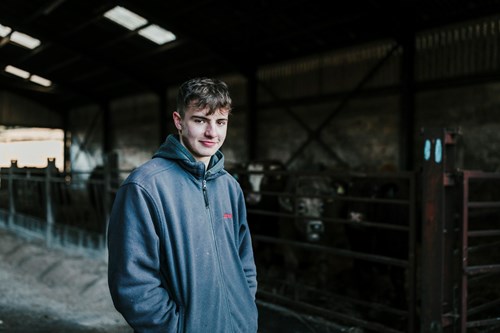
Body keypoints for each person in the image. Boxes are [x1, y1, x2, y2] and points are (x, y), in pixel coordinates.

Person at [107, 77, 258, 333]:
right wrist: (176, 328)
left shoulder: (230, 186)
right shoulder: (145, 187)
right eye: (200, 120)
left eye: (220, 122)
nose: (212, 132)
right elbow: (133, 283)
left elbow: (244, 259)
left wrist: (245, 308)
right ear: (179, 121)